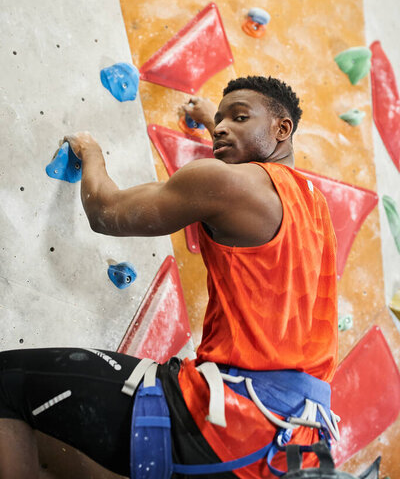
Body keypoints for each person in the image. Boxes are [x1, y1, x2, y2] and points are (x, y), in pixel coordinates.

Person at [0, 76, 338, 479]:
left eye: (240, 117)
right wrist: (217, 123)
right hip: (292, 445)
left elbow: (106, 211)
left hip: (225, 419)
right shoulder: (316, 210)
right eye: (221, 120)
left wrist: (91, 153)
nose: (224, 127)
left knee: (6, 382)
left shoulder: (224, 183)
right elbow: (251, 174)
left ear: (283, 129)